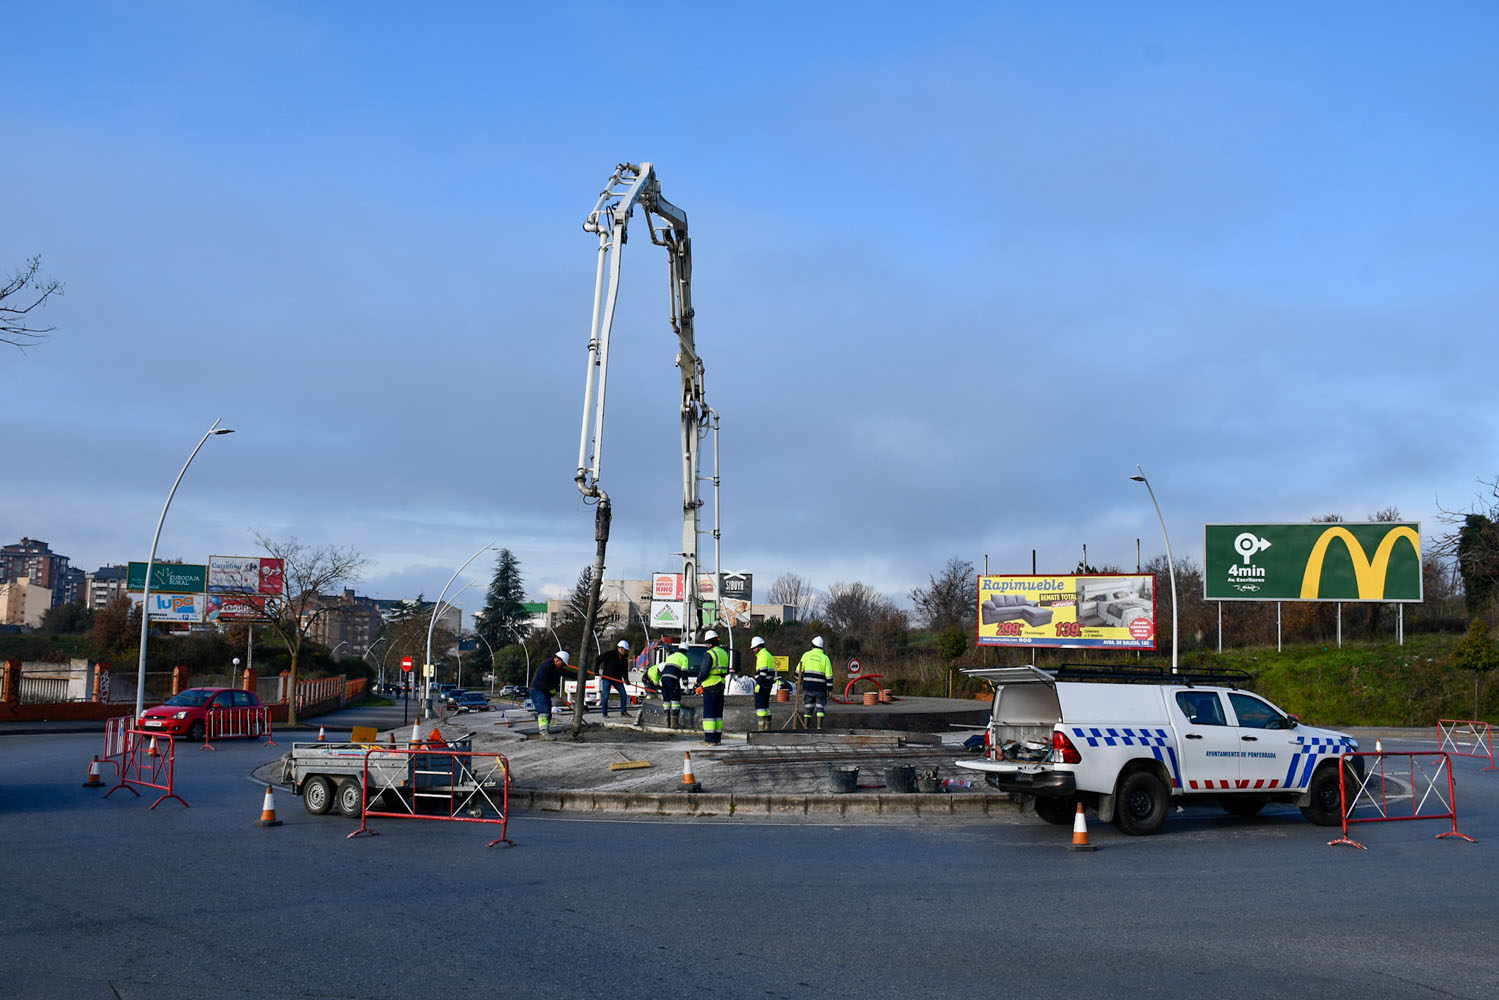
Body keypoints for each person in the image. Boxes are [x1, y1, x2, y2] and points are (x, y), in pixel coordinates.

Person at [694, 629, 731, 745]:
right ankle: (717, 738)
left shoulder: (709, 654)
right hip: (721, 684)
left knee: (709, 714)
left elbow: (704, 670)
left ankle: (709, 740)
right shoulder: (724, 653)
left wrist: (698, 681)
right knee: (717, 713)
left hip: (710, 685)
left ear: (709, 643)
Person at [529, 650, 570, 740]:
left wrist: (582, 676)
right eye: (562, 664)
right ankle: (543, 733)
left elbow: (567, 673)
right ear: (557, 661)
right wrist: (550, 688)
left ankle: (544, 731)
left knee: (548, 713)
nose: (562, 666)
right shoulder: (546, 666)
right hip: (538, 691)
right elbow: (542, 679)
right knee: (544, 711)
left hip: (545, 693)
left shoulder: (557, 668)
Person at [797, 635, 833, 730]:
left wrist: (797, 680)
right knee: (820, 708)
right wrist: (830, 689)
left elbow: (798, 670)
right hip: (820, 688)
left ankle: (806, 728)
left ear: (812, 645)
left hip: (807, 686)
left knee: (808, 708)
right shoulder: (825, 658)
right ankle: (819, 728)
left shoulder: (806, 655)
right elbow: (829, 676)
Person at [655, 643, 690, 729]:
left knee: (666, 699)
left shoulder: (671, 656)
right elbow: (684, 673)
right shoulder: (684, 658)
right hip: (673, 680)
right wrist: (686, 686)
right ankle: (674, 723)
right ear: (686, 651)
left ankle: (667, 722)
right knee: (675, 700)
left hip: (664, 679)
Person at [596, 639, 632, 718]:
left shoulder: (624, 659)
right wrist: (596, 671)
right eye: (625, 650)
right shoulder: (610, 654)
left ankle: (623, 712)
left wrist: (626, 679)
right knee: (606, 695)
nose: (625, 652)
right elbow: (598, 659)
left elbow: (624, 671)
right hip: (607, 678)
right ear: (621, 648)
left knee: (623, 694)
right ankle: (604, 713)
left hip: (617, 679)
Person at [751, 635, 776, 732]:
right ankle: (767, 730)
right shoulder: (769, 655)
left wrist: (758, 684)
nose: (753, 650)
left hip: (763, 684)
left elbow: (763, 672)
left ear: (758, 647)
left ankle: (761, 732)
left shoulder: (762, 656)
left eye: (754, 648)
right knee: (766, 708)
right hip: (768, 684)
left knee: (760, 708)